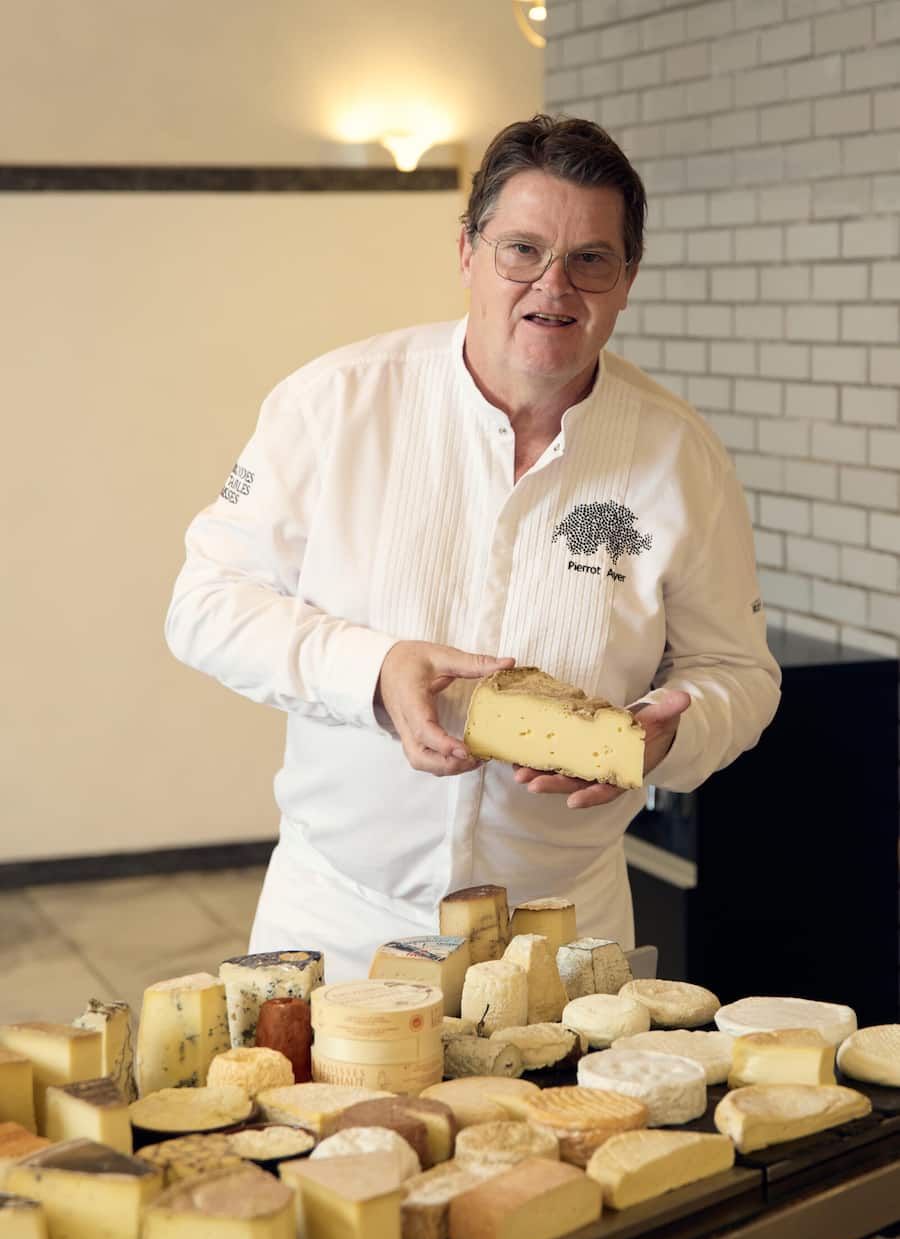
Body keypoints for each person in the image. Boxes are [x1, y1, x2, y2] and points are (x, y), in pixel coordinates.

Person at [165, 114, 781, 982]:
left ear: (628, 278)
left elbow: (741, 674)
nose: (553, 286)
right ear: (467, 252)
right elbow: (204, 603)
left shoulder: (679, 455)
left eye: (591, 259)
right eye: (521, 249)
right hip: (340, 921)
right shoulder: (335, 405)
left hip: (563, 934)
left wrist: (665, 741)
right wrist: (372, 669)